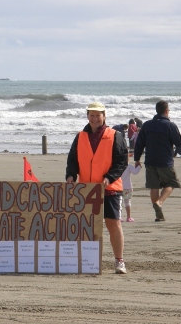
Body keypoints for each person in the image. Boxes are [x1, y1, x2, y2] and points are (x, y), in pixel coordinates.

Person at [66, 102, 128, 274]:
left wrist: (109, 178)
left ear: (104, 116)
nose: (94, 118)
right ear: (87, 116)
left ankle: (119, 261)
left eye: (98, 115)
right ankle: (88, 261)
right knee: (88, 225)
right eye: (91, 115)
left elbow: (121, 162)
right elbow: (72, 160)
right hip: (87, 189)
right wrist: (70, 175)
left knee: (113, 224)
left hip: (110, 189)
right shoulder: (80, 136)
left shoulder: (115, 135)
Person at [134, 100, 181, 222]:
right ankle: (160, 202)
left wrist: (136, 159)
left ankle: (158, 215)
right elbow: (179, 143)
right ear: (166, 111)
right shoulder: (170, 126)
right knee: (171, 183)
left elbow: (139, 143)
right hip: (165, 161)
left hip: (150, 160)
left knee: (154, 187)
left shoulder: (147, 125)